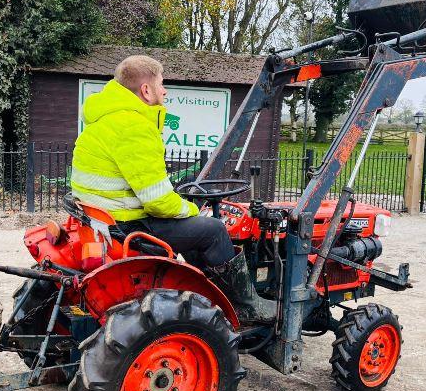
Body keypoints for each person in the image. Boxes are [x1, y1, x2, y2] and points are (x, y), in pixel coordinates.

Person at [70, 55, 276, 322]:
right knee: (213, 229)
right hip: (129, 225)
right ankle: (243, 305)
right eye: (161, 83)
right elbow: (157, 202)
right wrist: (191, 208)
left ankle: (203, 292)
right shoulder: (134, 127)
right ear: (146, 90)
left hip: (106, 218)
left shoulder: (105, 120)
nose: (165, 90)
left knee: (194, 227)